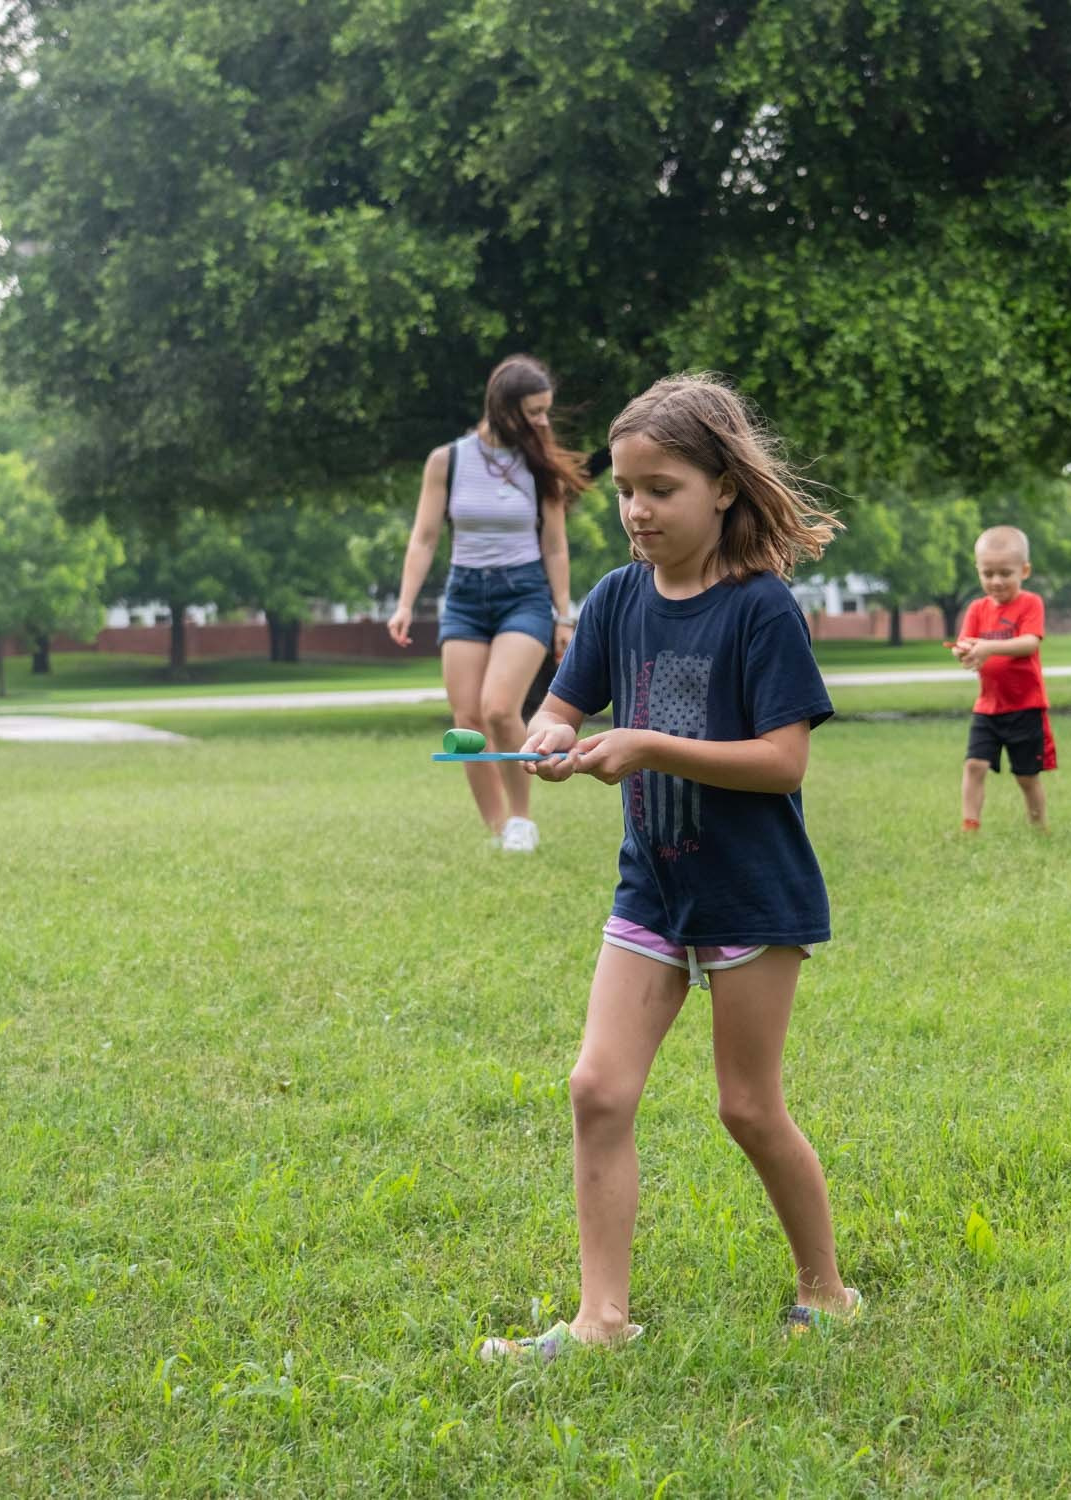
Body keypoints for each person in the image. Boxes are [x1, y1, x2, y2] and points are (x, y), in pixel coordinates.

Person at [494, 373, 855, 1361]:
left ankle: (826, 1289)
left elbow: (782, 762)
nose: (637, 512)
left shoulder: (760, 611)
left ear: (722, 488)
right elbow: (563, 706)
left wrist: (647, 744)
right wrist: (548, 738)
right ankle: (600, 1320)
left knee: (746, 1106)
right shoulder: (615, 600)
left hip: (750, 891)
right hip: (651, 886)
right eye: (624, 490)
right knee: (596, 1090)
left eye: (661, 489)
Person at [389, 354, 587, 851]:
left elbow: (555, 546)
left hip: (524, 592)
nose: (543, 421)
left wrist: (563, 615)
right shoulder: (448, 461)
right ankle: (498, 829)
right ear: (503, 409)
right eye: (534, 411)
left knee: (500, 708)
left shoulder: (538, 464)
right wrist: (405, 602)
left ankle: (522, 820)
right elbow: (425, 537)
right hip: (464, 596)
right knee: (467, 719)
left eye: (546, 410)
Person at [952, 525, 1053, 831]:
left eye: (1005, 573)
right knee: (974, 765)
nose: (996, 581)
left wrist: (988, 647)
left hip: (1026, 706)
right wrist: (964, 651)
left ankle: (1039, 826)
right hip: (988, 707)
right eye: (988, 573)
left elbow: (1029, 643)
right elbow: (964, 643)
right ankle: (970, 826)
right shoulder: (977, 608)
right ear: (978, 571)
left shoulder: (1030, 603)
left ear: (1024, 570)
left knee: (1026, 775)